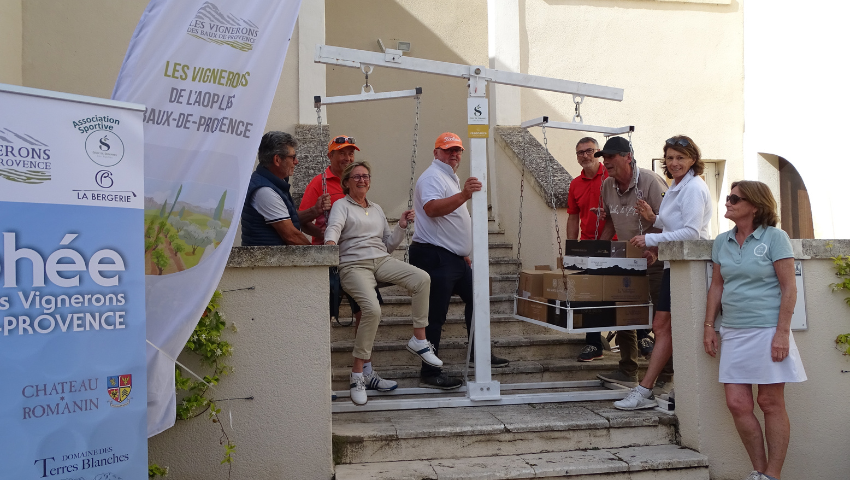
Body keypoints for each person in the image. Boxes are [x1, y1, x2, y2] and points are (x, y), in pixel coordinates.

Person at [704, 180, 805, 480]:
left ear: (755, 206)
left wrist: (782, 333)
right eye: (728, 197)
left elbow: (789, 288)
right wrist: (709, 326)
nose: (728, 202)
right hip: (734, 330)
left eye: (735, 198)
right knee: (737, 403)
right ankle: (759, 471)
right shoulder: (722, 241)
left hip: (767, 330)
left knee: (770, 402)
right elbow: (717, 286)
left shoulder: (776, 238)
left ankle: (772, 475)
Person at [324, 161, 439, 406]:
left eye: (366, 176)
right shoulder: (341, 206)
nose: (362, 180)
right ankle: (357, 375)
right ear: (346, 182)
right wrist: (330, 244)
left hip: (381, 259)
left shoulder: (375, 208)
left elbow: (387, 244)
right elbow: (333, 228)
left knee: (422, 278)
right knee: (372, 310)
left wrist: (401, 226)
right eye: (356, 177)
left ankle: (419, 339)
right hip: (354, 264)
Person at [614, 135, 713, 410]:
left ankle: (656, 389)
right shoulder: (677, 185)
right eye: (670, 158)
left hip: (689, 268)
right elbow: (674, 225)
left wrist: (651, 240)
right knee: (662, 327)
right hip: (675, 264)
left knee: (668, 328)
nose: (674, 163)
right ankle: (650, 389)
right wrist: (653, 220)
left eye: (680, 157)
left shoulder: (693, 187)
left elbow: (692, 233)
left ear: (693, 158)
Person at [409, 132, 509, 390]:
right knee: (435, 315)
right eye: (448, 150)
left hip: (452, 256)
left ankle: (479, 352)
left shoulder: (447, 177)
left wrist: (461, 249)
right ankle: (429, 372)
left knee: (478, 298)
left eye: (458, 150)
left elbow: (448, 220)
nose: (454, 154)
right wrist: (464, 195)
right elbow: (431, 209)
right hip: (435, 255)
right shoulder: (432, 176)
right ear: (436, 153)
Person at [594, 136, 672, 390]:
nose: (606, 162)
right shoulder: (607, 185)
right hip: (625, 258)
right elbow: (609, 221)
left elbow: (669, 221)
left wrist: (655, 250)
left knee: (662, 318)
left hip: (656, 260)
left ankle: (666, 374)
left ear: (628, 156)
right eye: (604, 158)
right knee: (623, 314)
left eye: (611, 157)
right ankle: (628, 369)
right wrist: (598, 250)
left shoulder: (650, 181)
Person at [299, 135, 383, 356]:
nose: (347, 157)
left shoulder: (357, 180)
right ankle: (319, 365)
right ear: (331, 156)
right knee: (324, 312)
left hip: (357, 258)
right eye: (342, 153)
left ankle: (365, 366)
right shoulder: (319, 182)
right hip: (328, 258)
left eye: (351, 153)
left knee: (365, 310)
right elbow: (301, 220)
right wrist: (323, 232)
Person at [566, 136, 617, 362]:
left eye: (589, 151)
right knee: (589, 296)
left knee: (622, 292)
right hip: (587, 245)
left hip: (615, 244)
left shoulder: (610, 176)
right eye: (580, 153)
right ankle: (593, 344)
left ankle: (643, 337)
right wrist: (571, 246)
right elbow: (572, 216)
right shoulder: (575, 184)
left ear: (598, 153)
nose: (585, 155)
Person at [241, 131, 330, 246]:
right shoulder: (264, 191)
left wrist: (314, 211)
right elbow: (291, 236)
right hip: (268, 262)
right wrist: (319, 259)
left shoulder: (273, 182)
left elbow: (288, 218)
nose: (296, 162)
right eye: (293, 157)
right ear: (277, 160)